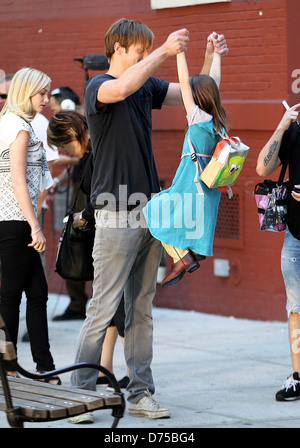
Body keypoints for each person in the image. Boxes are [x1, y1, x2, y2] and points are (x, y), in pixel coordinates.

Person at [69, 18, 228, 424]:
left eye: (149, 48)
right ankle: (82, 396)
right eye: (141, 48)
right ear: (119, 46)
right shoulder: (99, 86)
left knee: (141, 309)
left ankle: (140, 393)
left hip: (151, 212)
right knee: (103, 307)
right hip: (116, 212)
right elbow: (121, 88)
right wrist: (165, 53)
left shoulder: (148, 86)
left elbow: (199, 97)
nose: (146, 53)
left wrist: (211, 57)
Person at [47, 110, 129, 390]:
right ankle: (105, 368)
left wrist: (84, 216)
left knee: (112, 305)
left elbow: (105, 192)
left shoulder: (99, 150)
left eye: (63, 145)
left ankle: (130, 371)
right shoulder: (92, 150)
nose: (64, 152)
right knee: (109, 304)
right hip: (105, 232)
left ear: (71, 135)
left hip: (114, 231)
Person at [143, 37, 228, 287]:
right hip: (209, 186)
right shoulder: (217, 121)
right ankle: (190, 251)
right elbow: (215, 83)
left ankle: (181, 257)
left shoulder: (196, 117)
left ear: (194, 96)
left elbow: (183, 82)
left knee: (153, 210)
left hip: (190, 180)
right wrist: (217, 56)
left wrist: (179, 53)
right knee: (178, 215)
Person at [0, 67, 60, 384]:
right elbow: (19, 181)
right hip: (15, 221)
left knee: (37, 293)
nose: (47, 100)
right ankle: (9, 367)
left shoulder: (15, 123)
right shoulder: (18, 127)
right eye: (42, 94)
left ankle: (44, 366)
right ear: (26, 92)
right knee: (11, 296)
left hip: (14, 219)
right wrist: (35, 225)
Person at [256, 102, 300, 401]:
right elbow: (262, 167)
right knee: (296, 308)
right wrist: (282, 125)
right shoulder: (294, 129)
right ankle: (298, 376)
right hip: (296, 235)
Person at [48, 87, 89, 321]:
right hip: (78, 186)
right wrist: (59, 178)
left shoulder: (85, 122)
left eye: (55, 108)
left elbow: (86, 154)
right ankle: (77, 303)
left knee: (77, 241)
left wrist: (65, 159)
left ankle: (79, 304)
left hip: (88, 191)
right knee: (72, 241)